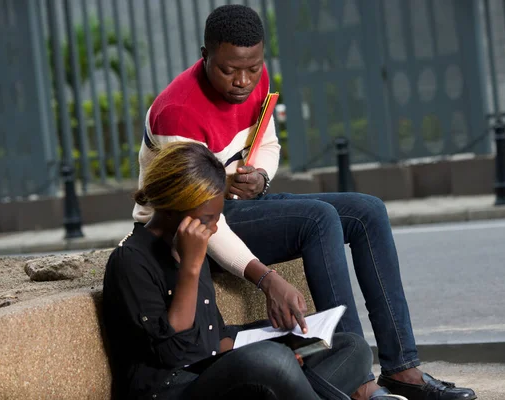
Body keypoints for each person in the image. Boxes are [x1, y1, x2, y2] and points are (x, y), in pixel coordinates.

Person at [133, 5, 476, 400]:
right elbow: (198, 217)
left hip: (236, 204)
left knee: (368, 212)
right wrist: (266, 278)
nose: (242, 81)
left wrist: (260, 175)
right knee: (318, 219)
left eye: (253, 67)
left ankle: (403, 370)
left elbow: (268, 142)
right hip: (186, 227)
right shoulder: (178, 111)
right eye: (229, 70)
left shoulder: (252, 79)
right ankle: (358, 381)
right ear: (204, 54)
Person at [103, 142, 382, 400]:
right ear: (174, 210)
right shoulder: (131, 262)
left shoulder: (190, 242)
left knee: (349, 347)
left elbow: (212, 335)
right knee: (272, 362)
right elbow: (174, 353)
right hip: (174, 389)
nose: (213, 229)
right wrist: (190, 268)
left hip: (216, 370)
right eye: (208, 219)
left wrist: (288, 341)